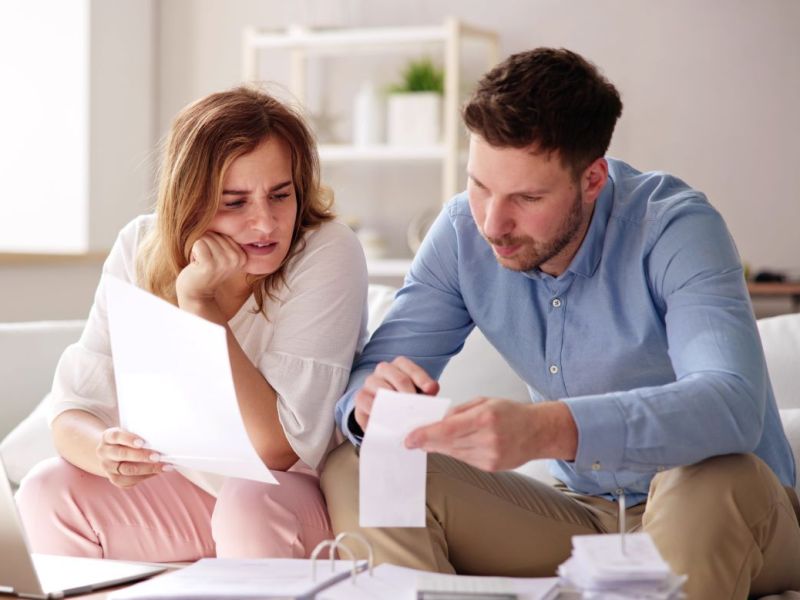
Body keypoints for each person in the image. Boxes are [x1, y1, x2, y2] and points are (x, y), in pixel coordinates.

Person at [320, 48, 800, 599]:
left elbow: (730, 406)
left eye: (526, 197)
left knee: (711, 478)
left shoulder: (675, 227)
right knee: (361, 464)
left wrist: (548, 428)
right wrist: (368, 401)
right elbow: (369, 380)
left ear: (592, 179)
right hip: (580, 518)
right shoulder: (460, 233)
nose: (492, 223)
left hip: (733, 515)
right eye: (479, 186)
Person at [16, 87, 368, 561]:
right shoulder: (141, 243)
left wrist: (201, 305)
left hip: (297, 497)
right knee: (46, 490)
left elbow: (278, 449)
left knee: (247, 501)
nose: (265, 224)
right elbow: (74, 408)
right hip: (194, 493)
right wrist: (104, 449)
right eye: (235, 202)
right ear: (190, 201)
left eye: (280, 195)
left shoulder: (327, 250)